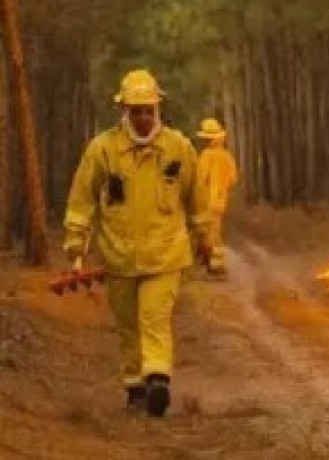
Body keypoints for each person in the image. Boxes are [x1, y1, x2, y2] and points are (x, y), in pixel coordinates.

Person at [63, 69, 210, 417]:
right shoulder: (103, 150)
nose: (143, 117)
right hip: (118, 256)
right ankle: (135, 387)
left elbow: (197, 200)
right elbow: (82, 199)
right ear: (124, 111)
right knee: (128, 325)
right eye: (136, 111)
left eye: (148, 110)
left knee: (153, 317)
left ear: (157, 109)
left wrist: (206, 239)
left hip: (165, 255)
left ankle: (158, 377)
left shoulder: (178, 148)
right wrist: (75, 244)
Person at [196, 118, 238, 276]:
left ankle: (214, 265)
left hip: (207, 201)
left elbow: (200, 178)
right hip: (221, 202)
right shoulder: (227, 156)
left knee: (207, 233)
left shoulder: (206, 155)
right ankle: (212, 262)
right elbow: (234, 179)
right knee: (215, 232)